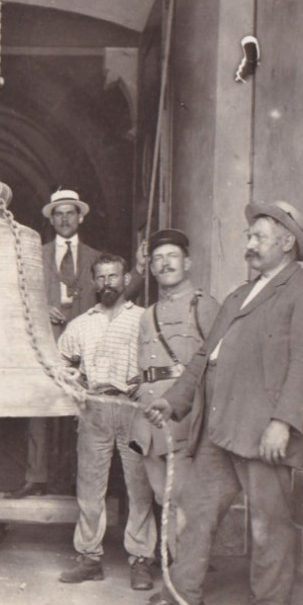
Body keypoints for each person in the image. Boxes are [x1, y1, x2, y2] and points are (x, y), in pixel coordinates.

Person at [123, 201, 303, 605]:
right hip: (219, 428)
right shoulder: (239, 295)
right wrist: (173, 402)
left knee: (267, 522)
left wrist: (284, 422)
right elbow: (203, 356)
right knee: (195, 509)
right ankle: (182, 598)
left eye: (258, 237)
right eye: (249, 236)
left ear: (286, 242)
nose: (248, 244)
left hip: (262, 430)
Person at [56, 253, 155, 588]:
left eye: (114, 276)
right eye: (101, 277)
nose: (107, 283)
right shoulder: (82, 323)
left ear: (126, 279)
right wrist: (75, 382)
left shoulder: (144, 319)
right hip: (95, 408)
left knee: (139, 486)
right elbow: (59, 361)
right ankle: (89, 556)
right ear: (93, 283)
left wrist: (145, 384)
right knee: (90, 487)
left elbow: (159, 360)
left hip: (132, 407)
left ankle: (141, 558)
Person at [127, 229, 220, 566]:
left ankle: (184, 586)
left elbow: (218, 364)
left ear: (188, 262)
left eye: (172, 257)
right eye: (157, 259)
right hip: (149, 424)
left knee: (185, 502)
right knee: (162, 499)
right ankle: (175, 578)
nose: (164, 264)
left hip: (184, 421)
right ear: (150, 268)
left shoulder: (203, 306)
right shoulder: (147, 314)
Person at [6, 189, 101, 498]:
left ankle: (78, 481)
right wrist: (39, 307)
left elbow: (113, 298)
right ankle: (36, 477)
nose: (64, 218)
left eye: (70, 212)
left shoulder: (95, 259)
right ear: (51, 219)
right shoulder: (35, 254)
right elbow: (17, 295)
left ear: (80, 217)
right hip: (47, 344)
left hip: (85, 348)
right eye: (58, 213)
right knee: (40, 412)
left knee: (83, 413)